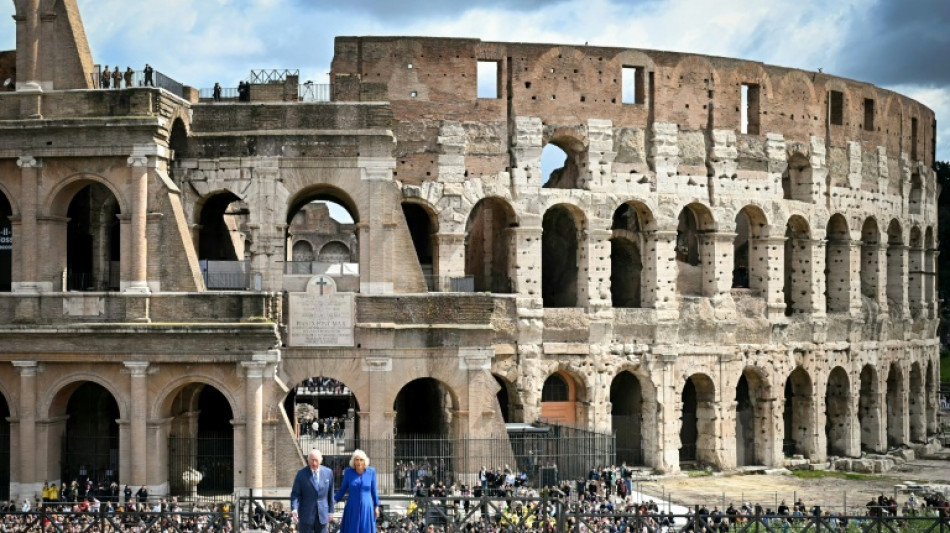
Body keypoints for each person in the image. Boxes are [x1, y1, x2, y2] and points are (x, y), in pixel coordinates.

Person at [334, 449, 380, 533]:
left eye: (361, 460)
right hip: (352, 506)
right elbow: (343, 489)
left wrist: (376, 506)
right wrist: (334, 500)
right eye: (357, 460)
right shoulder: (348, 472)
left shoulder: (371, 472)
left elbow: (374, 490)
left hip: (367, 507)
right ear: (353, 461)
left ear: (365, 461)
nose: (359, 462)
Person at [291, 448, 334, 533]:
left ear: (321, 460)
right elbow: (295, 494)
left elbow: (331, 494)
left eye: (316, 460)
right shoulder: (301, 474)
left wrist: (331, 511)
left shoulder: (328, 473)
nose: (314, 463)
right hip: (306, 515)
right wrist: (294, 508)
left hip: (322, 515)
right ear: (308, 460)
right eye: (312, 460)